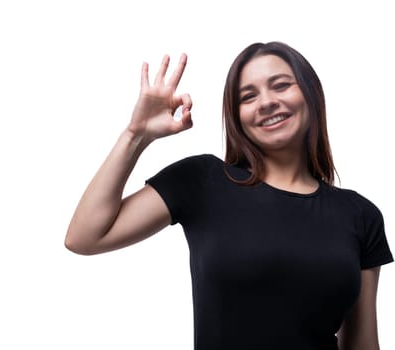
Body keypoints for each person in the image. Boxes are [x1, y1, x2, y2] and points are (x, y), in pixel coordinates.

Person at [64, 41, 393, 349]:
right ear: (236, 116)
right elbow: (85, 237)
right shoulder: (203, 180)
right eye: (248, 96)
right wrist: (136, 135)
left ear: (310, 93)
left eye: (280, 85)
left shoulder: (360, 215)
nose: (266, 102)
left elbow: (362, 343)